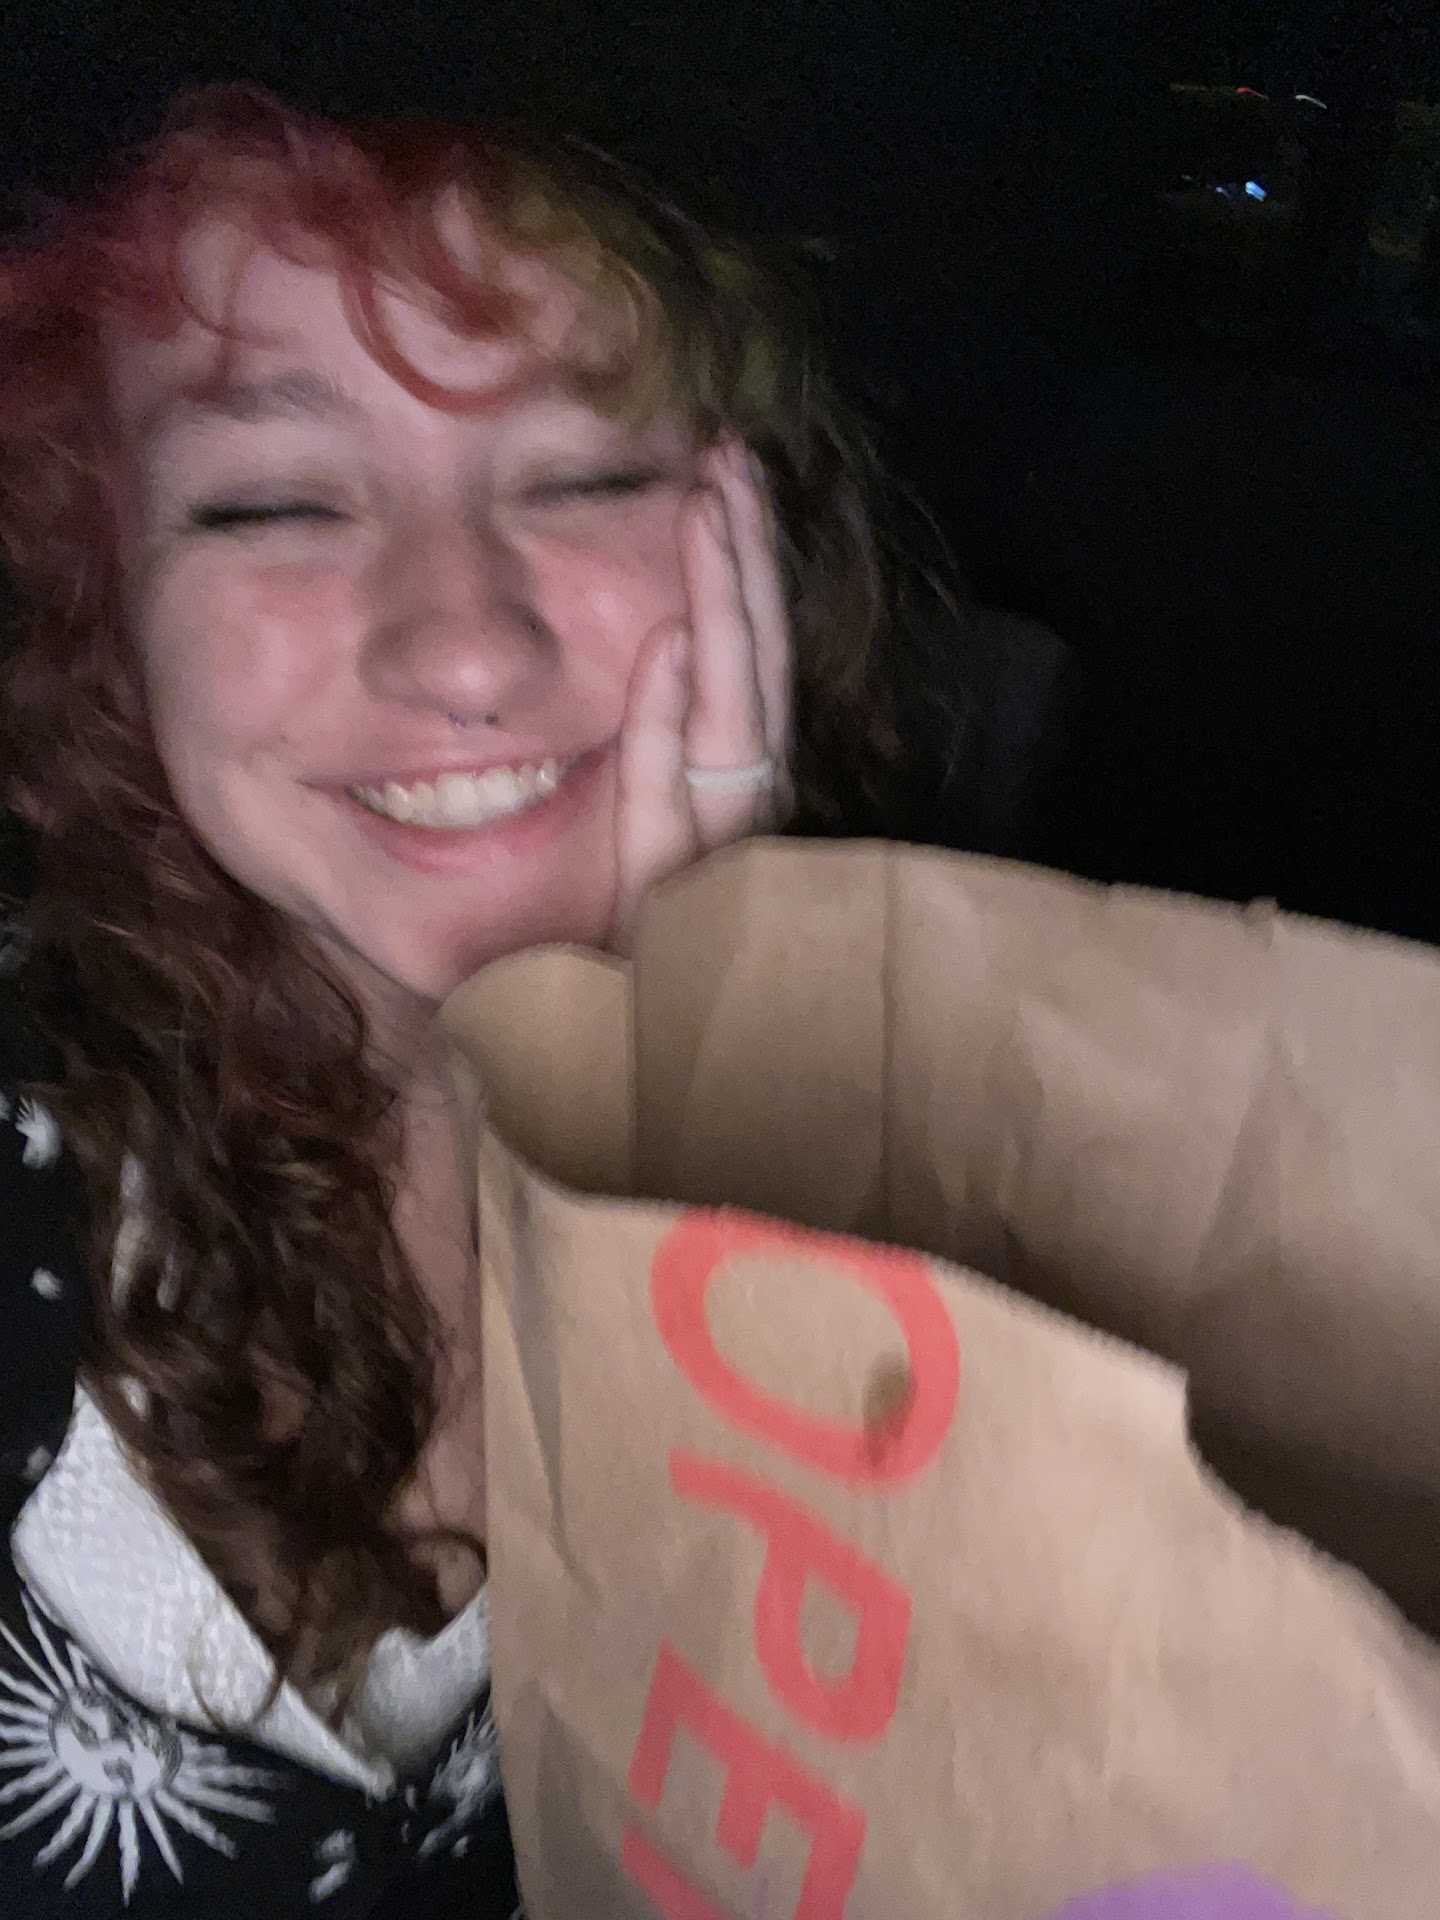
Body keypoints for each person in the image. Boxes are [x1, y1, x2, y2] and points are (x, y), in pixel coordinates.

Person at [0, 80, 965, 1916]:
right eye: (274, 502)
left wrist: (695, 1059)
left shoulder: (924, 1154)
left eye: (585, 476)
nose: (463, 643)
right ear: (105, 597)